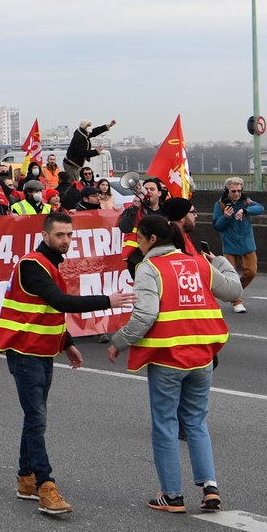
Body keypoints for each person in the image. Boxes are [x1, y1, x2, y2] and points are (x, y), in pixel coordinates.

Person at [0, 212, 135, 515]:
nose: (66, 240)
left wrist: (67, 343)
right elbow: (60, 302)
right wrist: (107, 301)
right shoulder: (33, 264)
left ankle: (26, 478)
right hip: (24, 351)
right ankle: (46, 485)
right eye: (60, 235)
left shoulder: (49, 264)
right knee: (36, 418)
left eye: (70, 235)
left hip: (42, 350)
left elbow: (46, 311)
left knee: (35, 416)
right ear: (45, 236)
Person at [105, 215, 240, 512]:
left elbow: (144, 316)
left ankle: (172, 495)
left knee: (165, 424)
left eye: (139, 238)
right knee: (195, 422)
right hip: (203, 357)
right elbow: (234, 291)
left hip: (168, 358)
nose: (136, 243)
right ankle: (210, 488)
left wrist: (118, 342)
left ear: (152, 239)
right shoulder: (198, 263)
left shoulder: (148, 268)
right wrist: (218, 261)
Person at [212, 177, 264, 314]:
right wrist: (226, 217)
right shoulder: (220, 204)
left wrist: (245, 211)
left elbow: (260, 208)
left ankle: (232, 291)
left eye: (239, 191)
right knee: (231, 274)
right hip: (230, 245)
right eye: (233, 191)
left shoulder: (246, 201)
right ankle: (237, 301)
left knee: (251, 272)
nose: (236, 194)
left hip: (247, 243)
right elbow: (217, 225)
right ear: (227, 190)